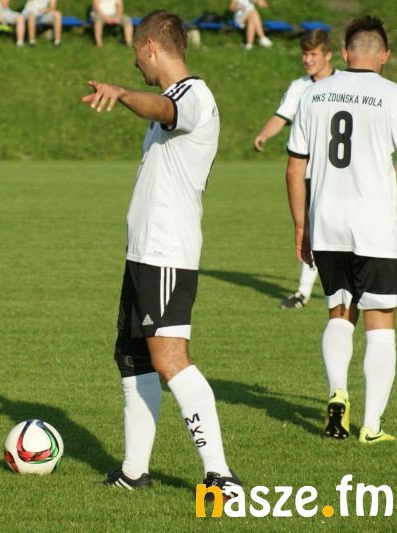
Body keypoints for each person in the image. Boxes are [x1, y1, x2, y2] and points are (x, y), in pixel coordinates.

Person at [82, 10, 241, 495]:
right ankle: (134, 472)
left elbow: (162, 108)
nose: (135, 62)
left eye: (136, 51)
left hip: (167, 252)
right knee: (133, 360)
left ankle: (221, 475)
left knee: (170, 358)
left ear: (151, 46)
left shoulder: (193, 95)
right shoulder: (175, 99)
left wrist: (123, 94)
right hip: (144, 253)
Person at [286, 16, 397, 444]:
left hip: (327, 223)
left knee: (339, 312)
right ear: (385, 55)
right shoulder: (394, 96)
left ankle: (338, 391)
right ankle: (371, 426)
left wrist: (301, 225)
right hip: (374, 227)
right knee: (381, 323)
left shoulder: (313, 94)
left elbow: (294, 167)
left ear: (344, 52)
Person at [253, 29, 337, 309]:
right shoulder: (299, 86)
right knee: (312, 231)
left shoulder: (344, 83)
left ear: (328, 55)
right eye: (304, 53)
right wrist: (264, 134)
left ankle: (352, 287)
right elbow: (281, 117)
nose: (307, 59)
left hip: (342, 172)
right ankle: (303, 292)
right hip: (310, 173)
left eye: (313, 54)